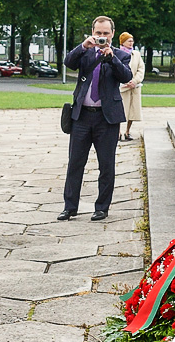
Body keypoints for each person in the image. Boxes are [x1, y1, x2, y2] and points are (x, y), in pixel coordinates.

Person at [59, 16, 133, 222]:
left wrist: (111, 57)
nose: (101, 37)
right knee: (75, 163)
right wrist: (84, 46)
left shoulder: (119, 55)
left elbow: (126, 76)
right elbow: (68, 62)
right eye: (98, 33)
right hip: (81, 116)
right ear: (92, 32)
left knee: (106, 165)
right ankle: (70, 207)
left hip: (106, 118)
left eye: (105, 34)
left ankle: (102, 207)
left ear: (112, 34)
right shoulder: (85, 52)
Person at [117, 32, 144, 142]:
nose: (131, 42)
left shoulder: (136, 54)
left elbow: (141, 69)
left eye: (132, 40)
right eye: (129, 41)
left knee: (133, 111)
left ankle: (127, 132)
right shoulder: (117, 54)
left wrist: (134, 81)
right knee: (121, 110)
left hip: (134, 87)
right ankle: (118, 133)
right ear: (123, 42)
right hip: (122, 87)